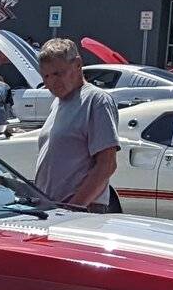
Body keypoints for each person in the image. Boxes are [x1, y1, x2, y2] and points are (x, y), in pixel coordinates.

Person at [31, 36, 120, 210]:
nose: (51, 82)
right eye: (46, 76)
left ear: (78, 64)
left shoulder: (96, 100)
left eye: (58, 73)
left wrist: (73, 207)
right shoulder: (58, 103)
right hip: (53, 208)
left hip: (81, 211)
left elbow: (107, 165)